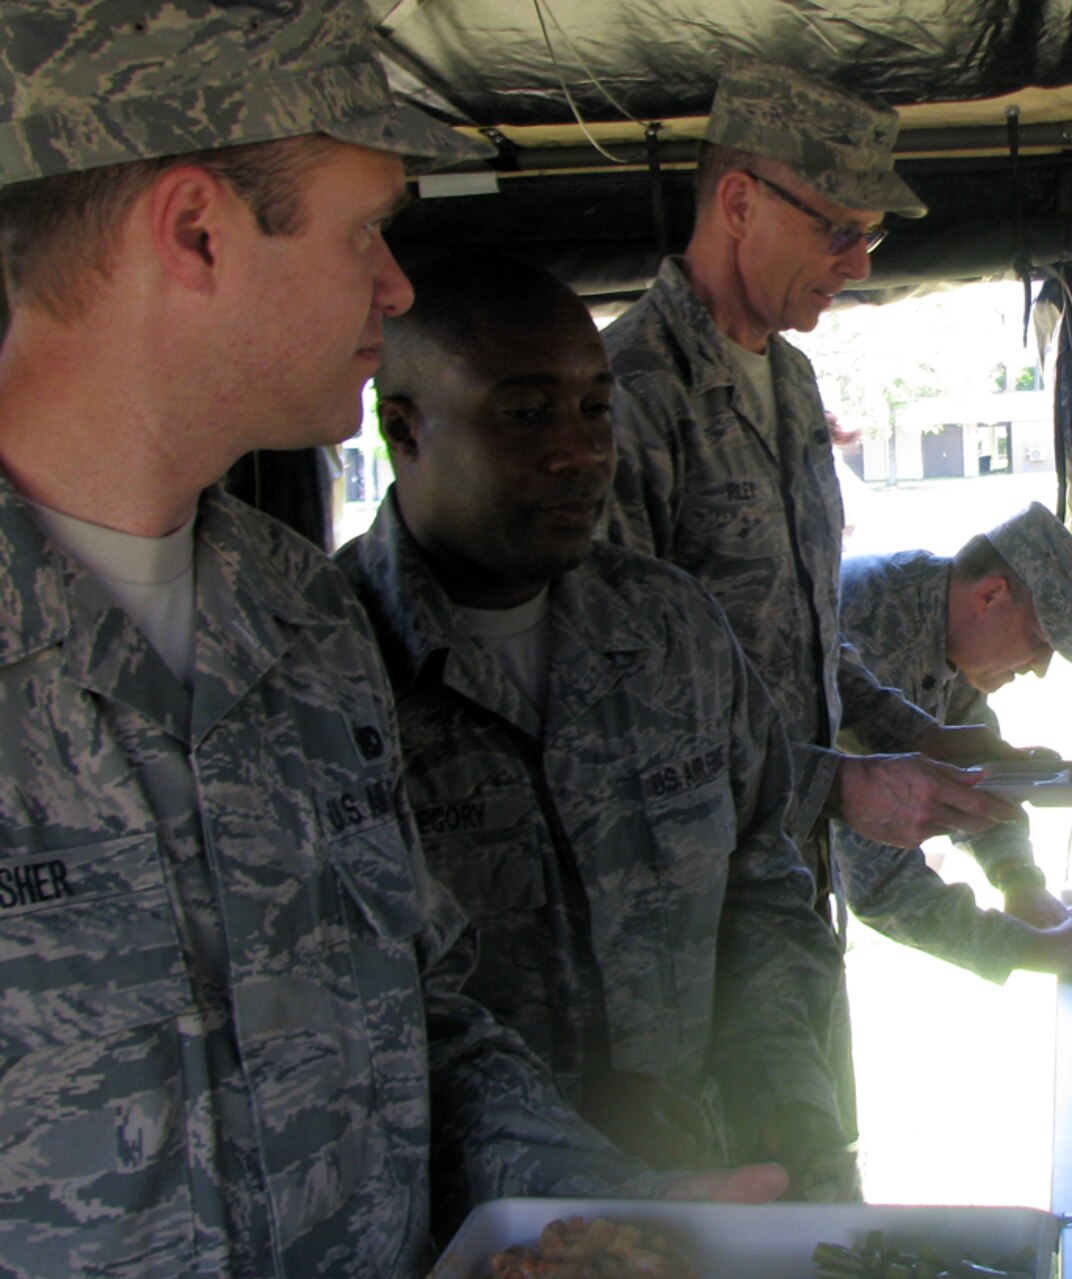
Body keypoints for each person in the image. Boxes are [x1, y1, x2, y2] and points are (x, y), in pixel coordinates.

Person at [0, 4, 782, 1275]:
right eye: (365, 228)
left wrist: (600, 1197)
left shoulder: (298, 620)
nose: (397, 282)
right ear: (197, 232)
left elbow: (415, 1020)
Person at [339, 253, 853, 1195]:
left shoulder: (674, 630)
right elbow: (363, 1021)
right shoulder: (331, 669)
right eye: (526, 413)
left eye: (596, 409)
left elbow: (761, 883)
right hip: (479, 1234)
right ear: (402, 429)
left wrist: (786, 1103)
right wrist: (586, 1185)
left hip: (715, 1192)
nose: (581, 452)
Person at [599, 61, 1021, 902]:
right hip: (685, 908)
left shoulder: (791, 382)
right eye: (838, 231)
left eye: (870, 234)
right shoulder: (626, 397)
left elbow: (809, 636)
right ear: (740, 204)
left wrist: (927, 737)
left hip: (792, 885)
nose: (859, 264)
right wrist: (838, 787)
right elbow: (617, 706)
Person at [835, 503, 1072, 980]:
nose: (1038, 668)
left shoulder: (951, 636)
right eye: (1038, 640)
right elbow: (879, 881)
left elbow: (975, 776)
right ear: (991, 595)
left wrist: (1019, 880)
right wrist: (1035, 950)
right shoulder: (875, 627)